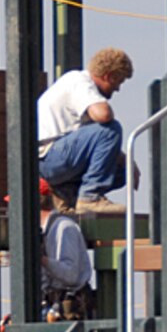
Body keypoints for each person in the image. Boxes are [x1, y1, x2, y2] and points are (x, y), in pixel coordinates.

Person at [37, 47, 135, 216]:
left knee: (122, 172)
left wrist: (128, 162)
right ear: (108, 76)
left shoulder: (79, 87)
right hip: (49, 157)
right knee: (111, 129)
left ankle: (66, 196)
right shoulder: (80, 82)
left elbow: (96, 144)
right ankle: (90, 198)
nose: (117, 89)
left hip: (56, 157)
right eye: (118, 82)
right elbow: (103, 115)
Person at [40, 192, 96, 321]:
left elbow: (71, 275)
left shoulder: (64, 228)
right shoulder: (44, 231)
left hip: (69, 309)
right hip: (50, 307)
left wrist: (41, 260)